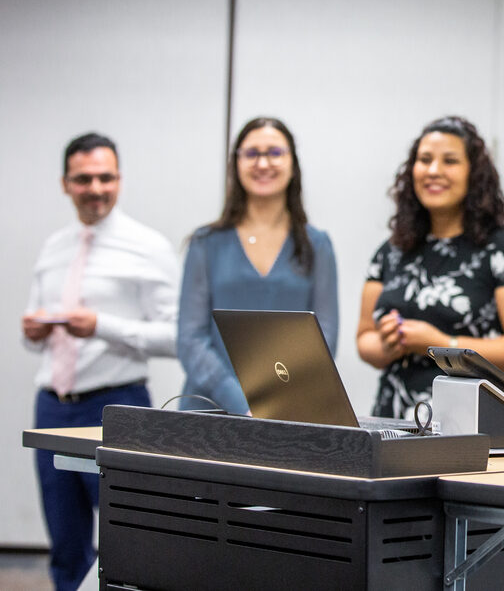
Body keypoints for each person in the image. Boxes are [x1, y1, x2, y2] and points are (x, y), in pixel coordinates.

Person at [21, 133, 178, 591]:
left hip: (117, 405)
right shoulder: (53, 247)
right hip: (52, 405)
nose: (96, 188)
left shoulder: (148, 247)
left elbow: (175, 337)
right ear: (65, 183)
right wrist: (31, 334)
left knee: (127, 542)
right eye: (84, 178)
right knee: (65, 543)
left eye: (105, 177)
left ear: (120, 179)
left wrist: (101, 326)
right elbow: (37, 332)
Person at [357, 116, 504, 418]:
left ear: (474, 174)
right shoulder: (392, 251)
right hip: (395, 420)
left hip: (476, 422)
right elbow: (364, 339)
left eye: (449, 161)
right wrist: (389, 344)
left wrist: (442, 345)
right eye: (425, 160)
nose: (433, 171)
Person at [177, 117, 338, 413]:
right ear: (236, 163)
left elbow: (324, 337)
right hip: (208, 409)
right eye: (251, 154)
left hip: (288, 412)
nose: (263, 163)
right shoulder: (205, 242)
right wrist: (243, 402)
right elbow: (191, 340)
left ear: (293, 163)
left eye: (275, 153)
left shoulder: (318, 245)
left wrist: (275, 402)